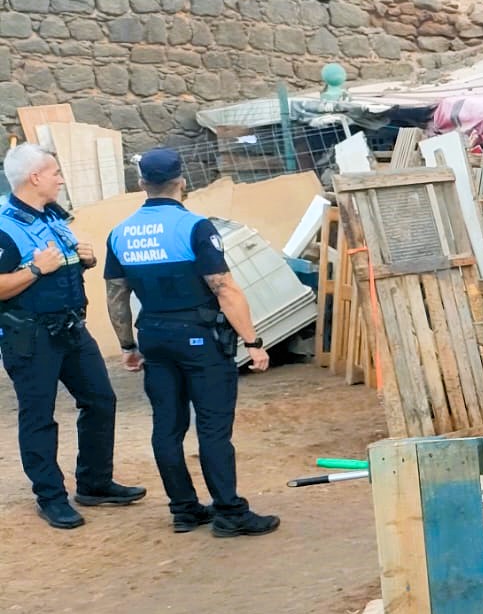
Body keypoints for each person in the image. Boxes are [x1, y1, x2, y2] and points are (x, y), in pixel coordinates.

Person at [104, 148, 279, 537]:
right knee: (214, 427)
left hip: (154, 336)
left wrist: (128, 346)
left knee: (167, 426)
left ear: (141, 184)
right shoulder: (196, 227)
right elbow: (224, 288)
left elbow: (116, 295)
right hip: (200, 338)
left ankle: (184, 509)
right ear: (182, 181)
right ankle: (230, 513)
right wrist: (253, 341)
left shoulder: (119, 233)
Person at [0, 143, 146, 529]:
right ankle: (50, 497)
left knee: (101, 400)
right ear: (34, 178)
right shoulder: (4, 225)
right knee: (39, 417)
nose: (61, 179)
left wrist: (85, 258)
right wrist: (35, 270)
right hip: (30, 338)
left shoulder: (52, 216)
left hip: (70, 329)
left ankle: (95, 483)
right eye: (55, 173)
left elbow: (63, 263)